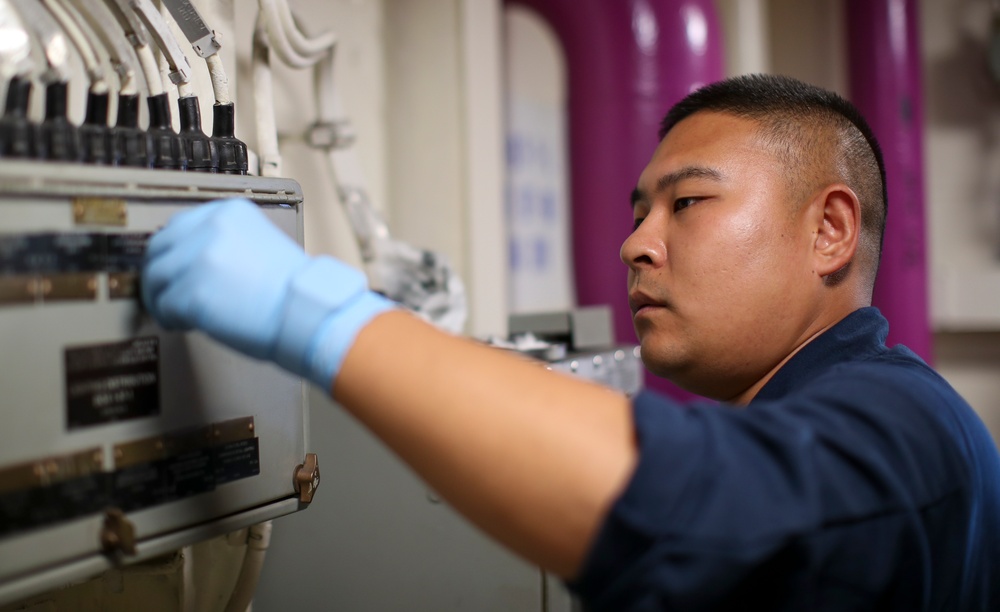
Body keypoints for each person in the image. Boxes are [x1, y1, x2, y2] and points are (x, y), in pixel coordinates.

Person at [141, 74, 1000, 610]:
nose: (637, 244)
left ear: (830, 231)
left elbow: (687, 509)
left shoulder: (905, 424)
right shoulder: (849, 403)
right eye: (638, 213)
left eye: (688, 203)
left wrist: (313, 313)